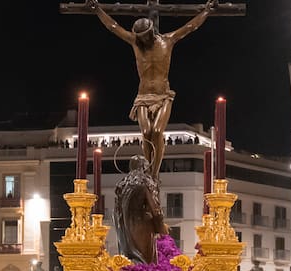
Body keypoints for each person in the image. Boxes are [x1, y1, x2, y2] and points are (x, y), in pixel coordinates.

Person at [87, 0, 217, 178]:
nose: (142, 40)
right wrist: (98, 10)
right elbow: (113, 26)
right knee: (146, 132)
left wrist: (206, 12)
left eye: (144, 37)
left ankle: (154, 174)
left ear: (151, 32)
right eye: (139, 37)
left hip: (163, 95)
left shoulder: (167, 41)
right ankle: (147, 170)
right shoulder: (136, 43)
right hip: (143, 96)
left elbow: (190, 27)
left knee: (156, 131)